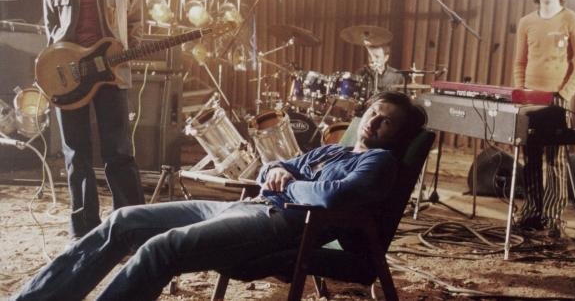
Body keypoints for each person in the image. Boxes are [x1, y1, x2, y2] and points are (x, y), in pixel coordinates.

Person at [12, 91, 427, 301]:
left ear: (398, 135)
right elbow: (274, 165)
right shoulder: (335, 150)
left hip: (278, 224)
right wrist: (277, 172)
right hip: (245, 206)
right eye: (374, 112)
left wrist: (288, 184)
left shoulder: (380, 163)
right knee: (123, 221)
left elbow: (333, 197)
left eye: (387, 122)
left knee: (162, 248)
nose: (374, 121)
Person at [43, 0, 145, 239]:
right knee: (77, 153)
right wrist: (58, 65)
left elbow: (136, 24)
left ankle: (132, 226)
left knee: (119, 152)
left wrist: (124, 52)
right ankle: (84, 231)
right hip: (68, 75)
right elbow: (50, 25)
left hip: (110, 73)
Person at [512, 0, 575, 238]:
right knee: (531, 157)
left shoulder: (572, 20)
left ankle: (553, 216)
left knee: (555, 159)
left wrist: (564, 94)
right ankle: (532, 212)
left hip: (557, 100)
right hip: (529, 100)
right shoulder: (526, 22)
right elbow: (520, 62)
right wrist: (520, 92)